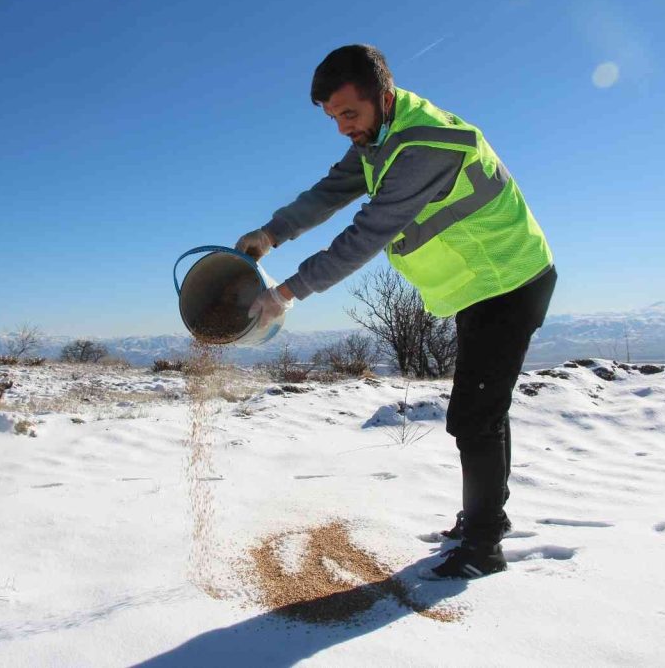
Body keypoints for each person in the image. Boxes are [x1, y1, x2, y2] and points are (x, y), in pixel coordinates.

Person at [235, 44, 556, 579]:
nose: (342, 129)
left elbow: (365, 235)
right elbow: (331, 191)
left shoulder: (425, 146)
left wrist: (284, 293)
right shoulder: (379, 135)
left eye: (349, 114)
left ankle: (483, 548)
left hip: (509, 280)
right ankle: (484, 519)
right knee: (483, 412)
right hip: (481, 285)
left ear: (383, 99)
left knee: (473, 417)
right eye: (333, 118)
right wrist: (271, 233)